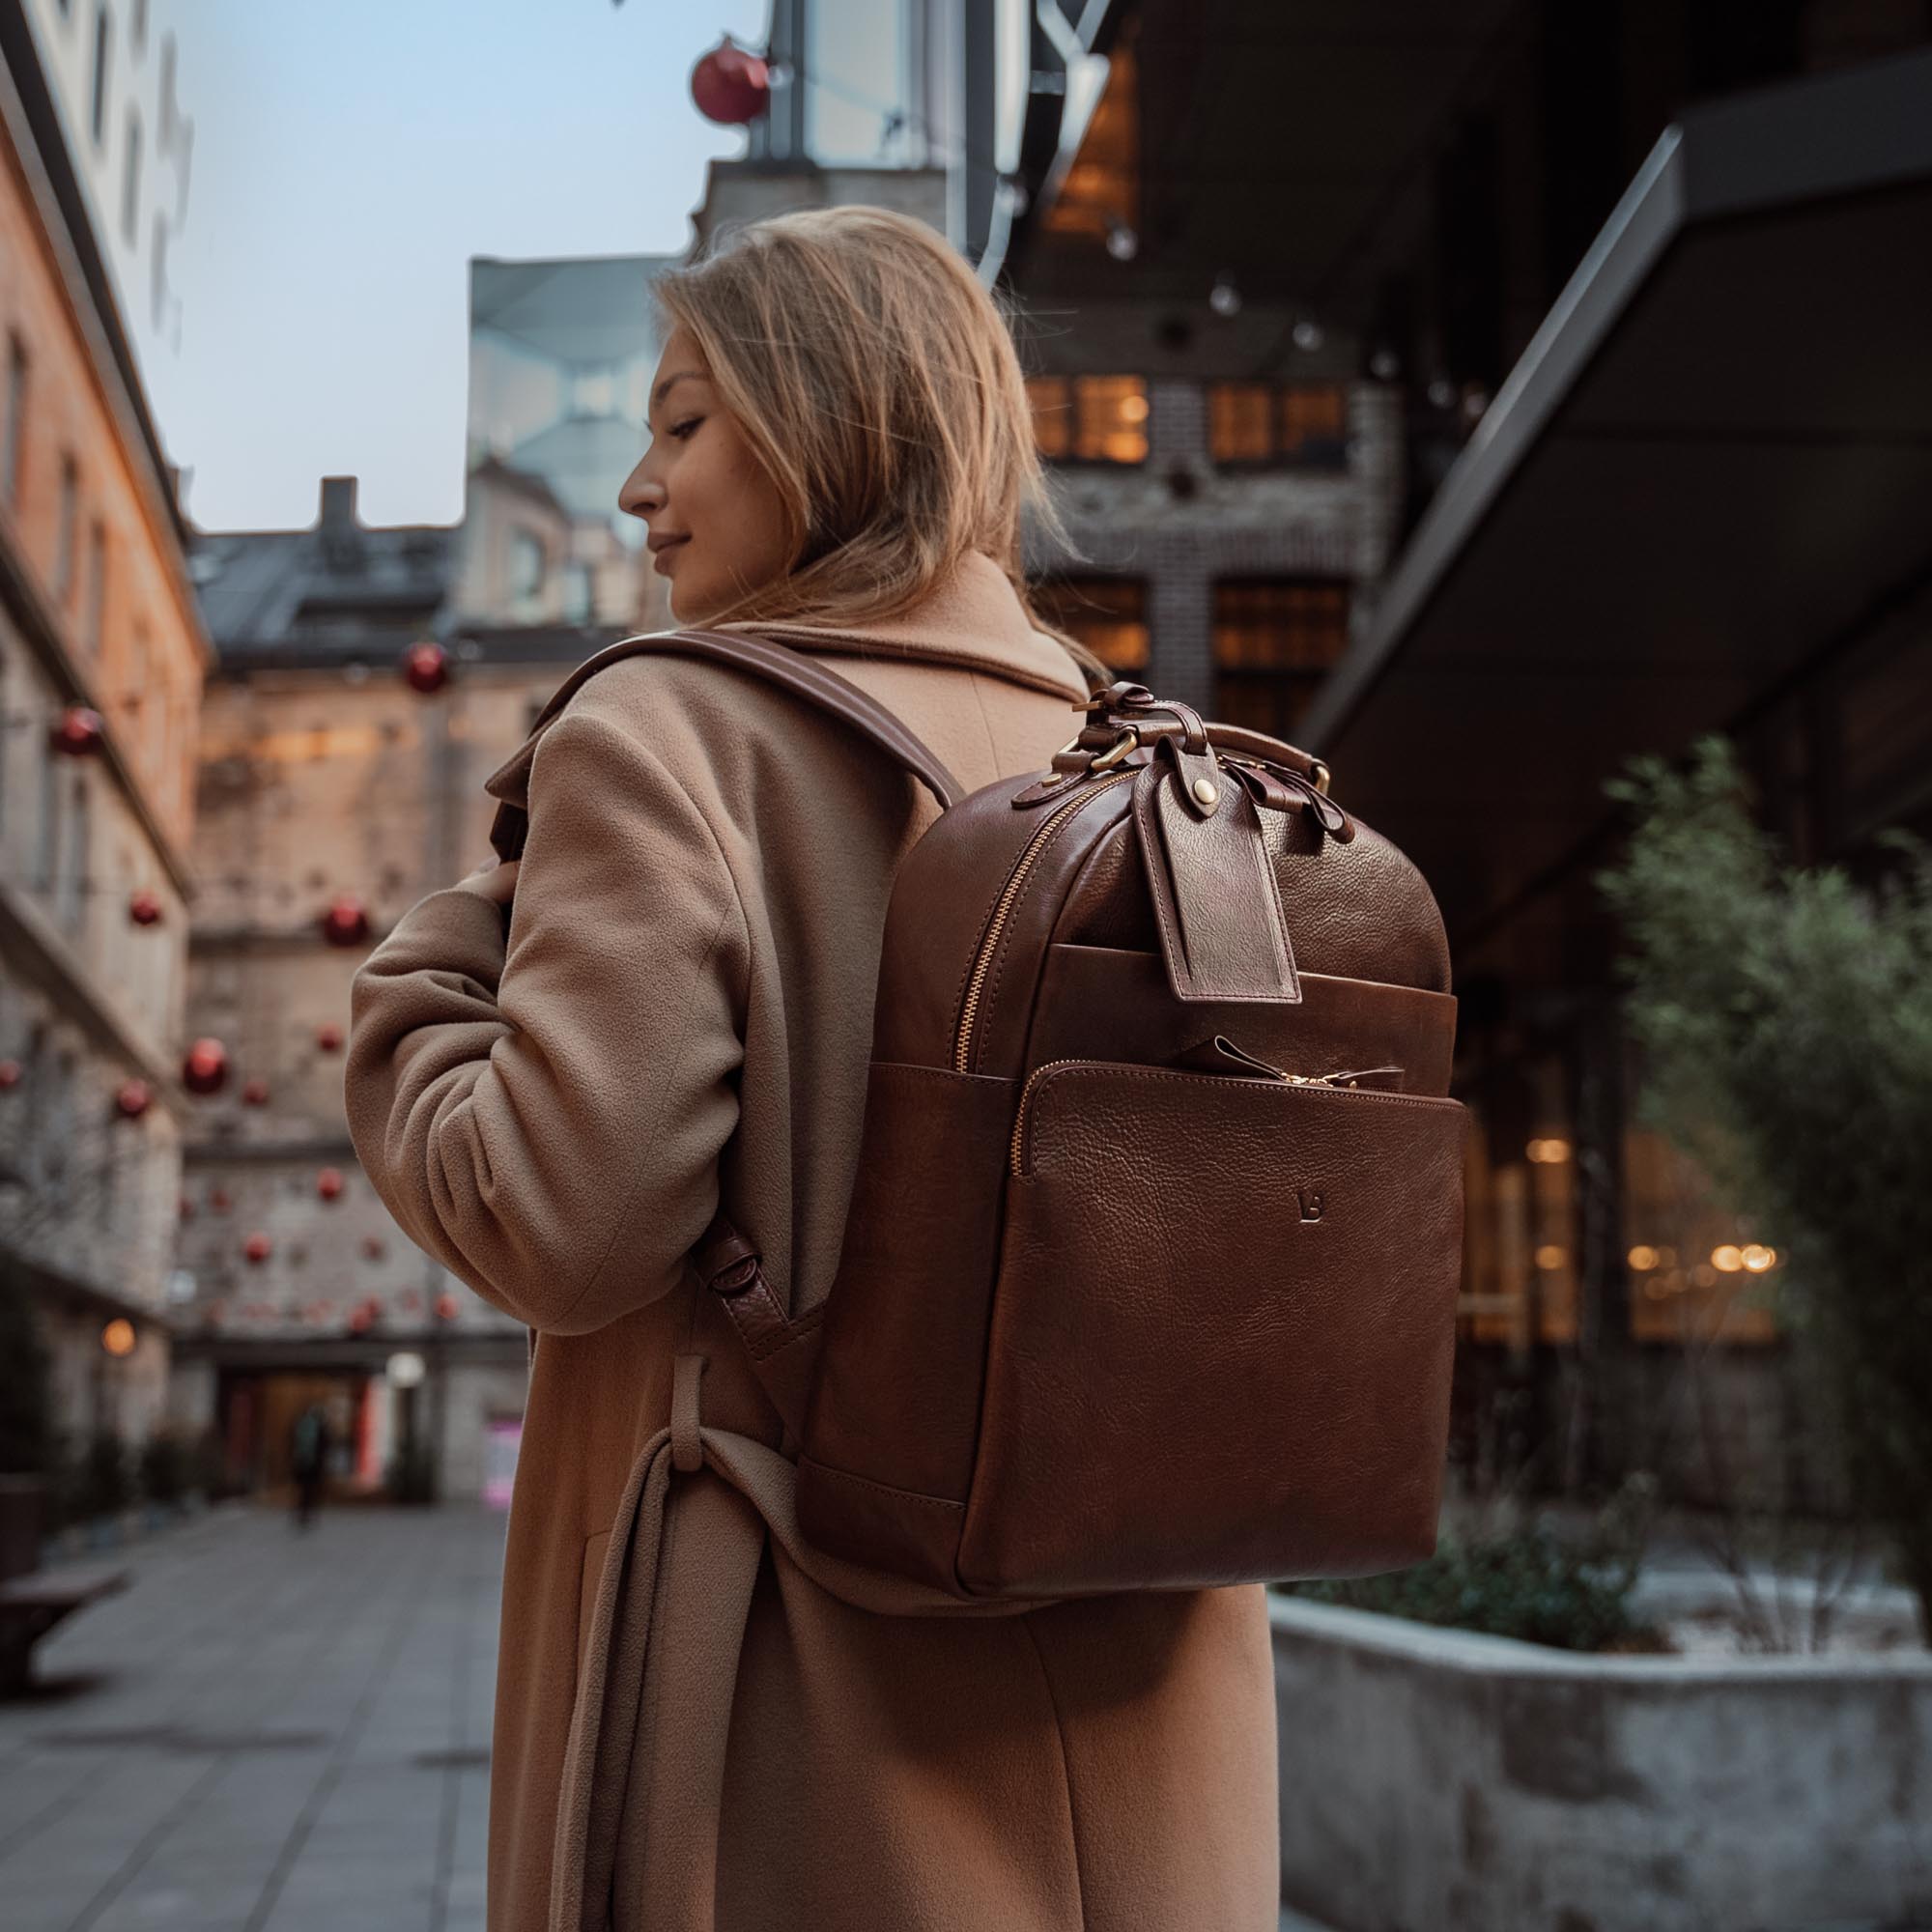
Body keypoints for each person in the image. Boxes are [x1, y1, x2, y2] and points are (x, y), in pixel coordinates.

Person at [344, 206, 1278, 1932]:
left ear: (825, 416)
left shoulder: (668, 730)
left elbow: (559, 1217)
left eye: (683, 421)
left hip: (794, 1708)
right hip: (1160, 1694)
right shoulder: (1143, 753)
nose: (636, 486)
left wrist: (426, 975)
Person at [289, 1398, 329, 1530]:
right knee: (311, 1490)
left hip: (301, 1462)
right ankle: (309, 1513)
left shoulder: (299, 1425)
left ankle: (302, 1513)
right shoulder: (319, 1426)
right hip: (313, 1464)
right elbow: (324, 1445)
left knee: (302, 1490)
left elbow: (291, 1443)